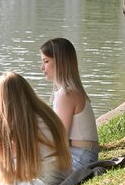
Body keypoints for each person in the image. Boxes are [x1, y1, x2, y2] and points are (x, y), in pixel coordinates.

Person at [40, 38, 99, 171]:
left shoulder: (67, 94)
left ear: (60, 63)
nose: (42, 67)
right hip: (80, 155)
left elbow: (59, 138)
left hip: (79, 158)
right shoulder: (65, 92)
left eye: (46, 61)